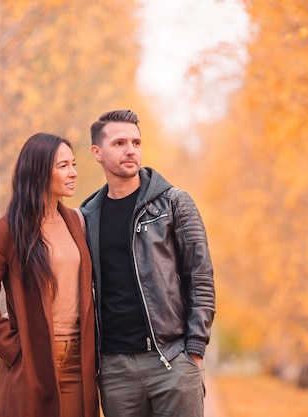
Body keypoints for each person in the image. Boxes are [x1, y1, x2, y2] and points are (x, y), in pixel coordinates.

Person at [80, 110, 215, 417]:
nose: (131, 150)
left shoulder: (174, 203)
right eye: (119, 143)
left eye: (136, 142)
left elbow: (200, 276)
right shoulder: (88, 217)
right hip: (115, 369)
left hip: (172, 360)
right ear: (97, 153)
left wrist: (193, 349)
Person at [0, 133, 99, 417]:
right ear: (38, 173)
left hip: (78, 362)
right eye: (63, 166)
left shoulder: (76, 221)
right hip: (33, 365)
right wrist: (16, 348)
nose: (73, 173)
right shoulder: (7, 231)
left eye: (73, 164)